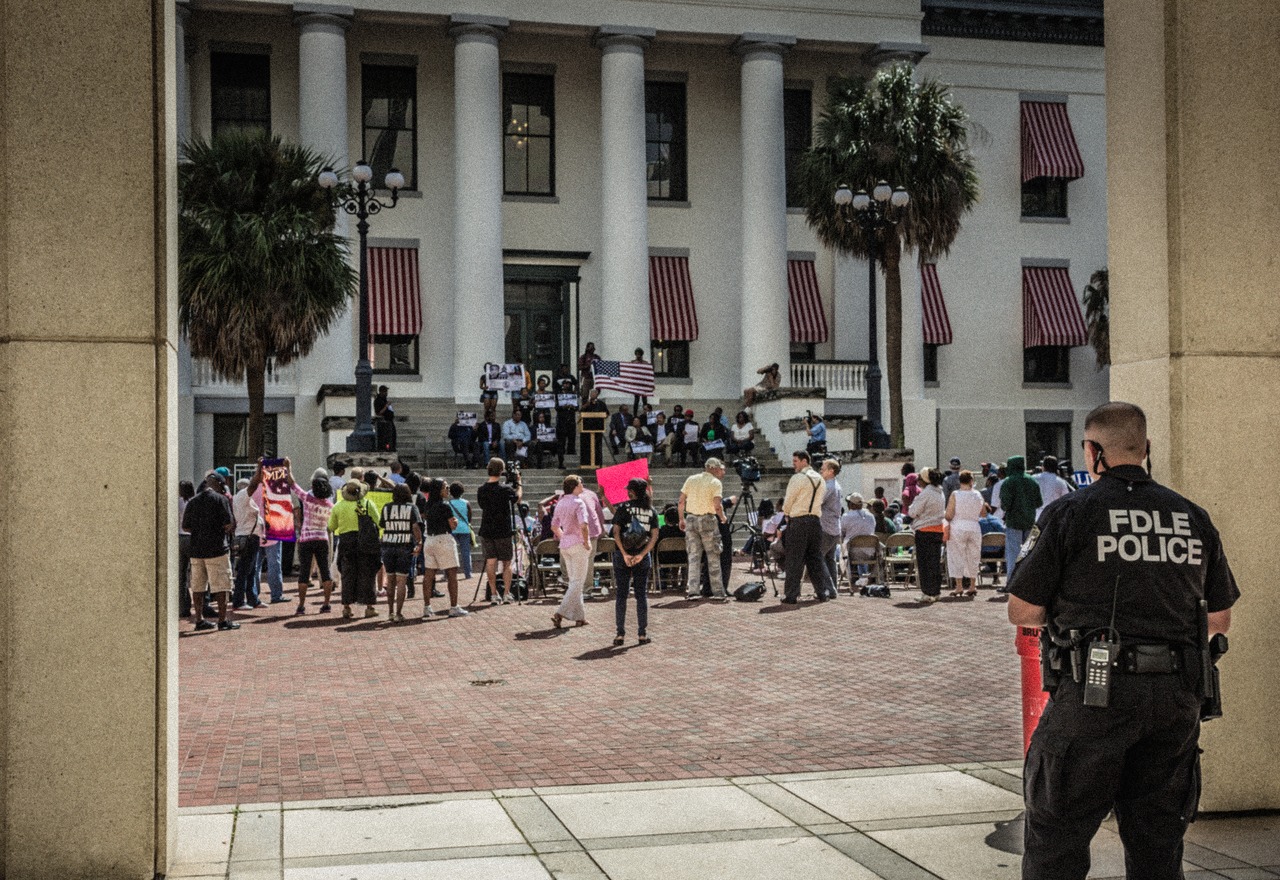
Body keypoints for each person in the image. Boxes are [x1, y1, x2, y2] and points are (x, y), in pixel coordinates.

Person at [1006, 402, 1239, 880]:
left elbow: (1023, 609)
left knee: (1057, 835)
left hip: (1094, 694)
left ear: (1093, 453)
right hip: (1176, 698)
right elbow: (1220, 618)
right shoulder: (1190, 516)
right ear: (1145, 449)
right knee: (1158, 839)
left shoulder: (1071, 513)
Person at [182, 472, 239, 631]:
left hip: (197, 549)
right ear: (220, 485)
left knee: (198, 586)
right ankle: (222, 620)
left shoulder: (193, 502)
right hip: (217, 549)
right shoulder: (221, 500)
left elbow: (185, 527)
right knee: (222, 585)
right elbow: (228, 523)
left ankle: (199, 619)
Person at [780, 450, 833, 604]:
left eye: (796, 461)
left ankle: (791, 595)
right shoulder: (820, 479)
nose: (793, 464)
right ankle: (822, 592)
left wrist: (787, 513)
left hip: (799, 520)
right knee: (815, 558)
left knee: (794, 559)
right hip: (815, 521)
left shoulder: (798, 478)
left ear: (804, 461)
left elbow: (788, 500)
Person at [611, 477, 659, 646]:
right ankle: (642, 633)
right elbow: (654, 536)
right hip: (642, 555)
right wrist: (642, 554)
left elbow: (616, 532)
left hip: (623, 555)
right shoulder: (651, 510)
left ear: (631, 492)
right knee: (641, 595)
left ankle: (620, 634)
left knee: (621, 595)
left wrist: (624, 553)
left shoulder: (624, 507)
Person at [676, 458, 729, 600]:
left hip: (691, 519)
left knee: (693, 556)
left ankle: (693, 591)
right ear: (713, 468)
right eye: (719, 468)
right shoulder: (715, 483)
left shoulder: (691, 479)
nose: (720, 471)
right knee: (713, 556)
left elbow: (681, 501)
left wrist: (681, 519)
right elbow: (717, 505)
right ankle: (718, 592)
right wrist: (723, 518)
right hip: (708, 520)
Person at [327, 481, 380, 619]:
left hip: (346, 543)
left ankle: (346, 607)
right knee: (367, 574)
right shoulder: (368, 504)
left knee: (347, 575)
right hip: (366, 543)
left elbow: (331, 526)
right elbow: (379, 522)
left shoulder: (338, 506)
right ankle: (369, 607)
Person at [290, 465, 336, 614]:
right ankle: (326, 603)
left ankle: (301, 605)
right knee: (325, 571)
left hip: (306, 538)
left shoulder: (308, 499)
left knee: (304, 572)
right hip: (322, 538)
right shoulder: (330, 505)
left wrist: (288, 468)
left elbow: (293, 485)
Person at [420, 479, 468, 619]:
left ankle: (427, 607)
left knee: (428, 575)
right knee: (452, 574)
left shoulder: (427, 505)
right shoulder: (444, 506)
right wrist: (455, 522)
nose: (447, 490)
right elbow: (452, 525)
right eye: (445, 487)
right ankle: (453, 607)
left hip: (430, 539)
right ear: (439, 490)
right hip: (444, 539)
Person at [477, 457, 521, 604]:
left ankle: (494, 594)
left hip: (487, 529)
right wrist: (519, 484)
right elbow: (517, 498)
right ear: (501, 471)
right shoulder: (505, 490)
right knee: (507, 563)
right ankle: (507, 592)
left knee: (490, 563)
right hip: (503, 529)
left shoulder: (481, 490)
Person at [377, 483, 422, 622]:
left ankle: (390, 611)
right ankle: (399, 613)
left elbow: (382, 524)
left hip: (388, 545)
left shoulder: (386, 507)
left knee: (390, 580)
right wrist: (419, 542)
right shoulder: (412, 508)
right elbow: (415, 527)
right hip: (405, 545)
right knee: (401, 580)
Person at [550, 474, 591, 628]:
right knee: (578, 581)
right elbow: (583, 525)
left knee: (575, 581)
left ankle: (580, 617)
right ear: (574, 486)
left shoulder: (560, 503)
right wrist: (586, 541)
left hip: (565, 544)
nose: (582, 485)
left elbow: (554, 526)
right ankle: (560, 612)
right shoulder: (579, 502)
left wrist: (563, 537)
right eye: (580, 483)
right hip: (578, 544)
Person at [999, 455, 1043, 586]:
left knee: (1013, 554)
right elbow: (1039, 502)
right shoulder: (1032, 481)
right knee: (1029, 553)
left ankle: (1012, 583)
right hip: (1030, 521)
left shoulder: (1008, 481)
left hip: (1013, 522)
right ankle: (1029, 582)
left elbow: (1005, 505)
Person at [908, 467, 946, 603]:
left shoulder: (926, 493)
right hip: (938, 530)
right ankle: (935, 591)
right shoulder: (940, 492)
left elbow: (913, 512)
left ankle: (927, 592)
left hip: (924, 530)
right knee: (935, 563)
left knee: (924, 564)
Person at [944, 470, 984, 597]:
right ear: (972, 481)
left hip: (958, 526)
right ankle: (973, 585)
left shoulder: (955, 494)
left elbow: (949, 514)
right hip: (974, 526)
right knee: (973, 555)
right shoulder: (978, 494)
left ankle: (959, 586)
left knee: (957, 555)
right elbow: (983, 513)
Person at [231, 471, 264, 609]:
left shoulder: (245, 500)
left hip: (251, 537)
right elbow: (253, 485)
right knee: (245, 570)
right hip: (248, 538)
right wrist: (259, 469)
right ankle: (239, 601)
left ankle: (252, 598)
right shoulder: (242, 497)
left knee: (251, 570)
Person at [818, 458, 843, 598]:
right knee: (830, 559)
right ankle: (833, 588)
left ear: (831, 471)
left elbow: (818, 501)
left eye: (824, 468)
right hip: (834, 527)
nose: (821, 470)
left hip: (826, 526)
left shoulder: (829, 486)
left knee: (818, 557)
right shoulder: (835, 485)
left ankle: (830, 588)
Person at [841, 493, 878, 581]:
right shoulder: (871, 516)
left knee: (840, 548)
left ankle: (849, 575)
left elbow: (841, 533)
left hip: (852, 553)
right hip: (870, 552)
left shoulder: (846, 516)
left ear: (852, 504)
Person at [448, 482, 475, 580]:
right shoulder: (466, 502)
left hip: (452, 529)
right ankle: (468, 573)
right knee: (466, 552)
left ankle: (447, 574)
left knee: (450, 552)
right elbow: (469, 516)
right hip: (464, 529)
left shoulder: (449, 503)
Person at [1033, 454, 1073, 520]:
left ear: (1043, 467)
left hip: (1036, 514)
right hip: (1053, 515)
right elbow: (1066, 499)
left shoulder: (1034, 478)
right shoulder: (1060, 482)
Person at [178, 480, 195, 619]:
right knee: (197, 572)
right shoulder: (194, 502)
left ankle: (184, 606)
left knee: (181, 574)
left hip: (179, 538)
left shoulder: (177, 503)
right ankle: (202, 603)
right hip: (193, 538)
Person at [552, 363, 578, 456]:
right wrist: (563, 407)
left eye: (568, 384)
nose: (567, 385)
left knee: (572, 435)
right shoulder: (559, 395)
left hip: (571, 417)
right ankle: (561, 451)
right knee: (561, 436)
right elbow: (556, 407)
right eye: (565, 384)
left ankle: (571, 450)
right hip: (562, 417)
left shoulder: (572, 395)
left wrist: (574, 407)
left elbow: (577, 407)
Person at [579, 387, 609, 466]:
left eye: (594, 393)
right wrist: (586, 405)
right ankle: (586, 463)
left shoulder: (601, 404)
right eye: (591, 393)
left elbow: (606, 413)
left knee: (597, 447)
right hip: (586, 428)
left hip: (598, 428)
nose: (593, 395)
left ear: (597, 394)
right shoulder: (586, 402)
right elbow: (580, 412)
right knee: (587, 447)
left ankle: (598, 463)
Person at [374, 384, 396, 451]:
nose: (386, 393)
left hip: (389, 421)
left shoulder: (384, 400)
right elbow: (379, 412)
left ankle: (392, 448)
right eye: (385, 391)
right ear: (381, 392)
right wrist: (386, 406)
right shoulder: (378, 401)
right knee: (387, 438)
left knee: (393, 436)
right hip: (384, 422)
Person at [630, 347, 650, 413]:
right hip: (636, 383)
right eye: (637, 353)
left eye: (639, 353)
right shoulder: (633, 362)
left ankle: (646, 413)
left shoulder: (645, 363)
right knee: (636, 400)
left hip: (643, 383)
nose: (638, 355)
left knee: (645, 400)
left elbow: (648, 373)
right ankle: (635, 414)